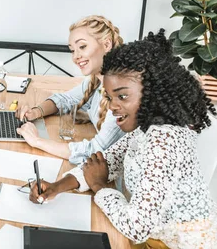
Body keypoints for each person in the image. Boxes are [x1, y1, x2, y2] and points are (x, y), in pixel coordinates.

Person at [29, 30, 217, 248]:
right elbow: (106, 161)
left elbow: (136, 227)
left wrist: (99, 185)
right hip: (156, 240)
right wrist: (57, 186)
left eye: (122, 96)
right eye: (109, 97)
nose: (112, 106)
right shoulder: (148, 128)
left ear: (152, 93)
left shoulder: (165, 140)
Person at [17, 15, 125, 164]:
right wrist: (35, 112)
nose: (76, 57)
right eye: (72, 50)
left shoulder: (122, 94)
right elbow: (64, 99)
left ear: (106, 45)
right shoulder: (96, 81)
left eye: (82, 47)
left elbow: (94, 152)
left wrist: (37, 141)